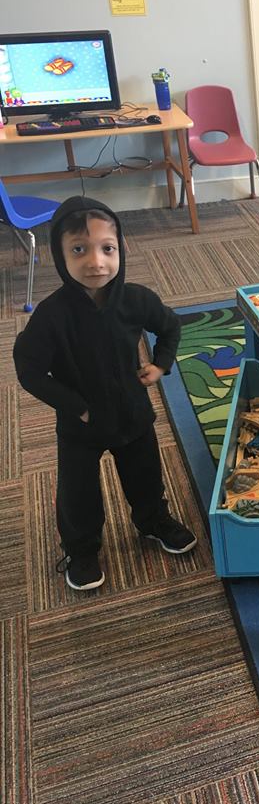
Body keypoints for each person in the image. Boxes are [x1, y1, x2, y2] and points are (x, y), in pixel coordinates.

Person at [13, 196, 197, 591]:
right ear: (60, 256)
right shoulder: (52, 314)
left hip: (132, 413)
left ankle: (152, 521)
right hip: (80, 424)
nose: (95, 261)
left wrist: (161, 363)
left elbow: (170, 326)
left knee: (146, 475)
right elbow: (28, 369)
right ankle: (81, 549)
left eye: (106, 248)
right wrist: (74, 406)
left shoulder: (136, 299)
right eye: (79, 250)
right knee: (78, 493)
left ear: (120, 249)